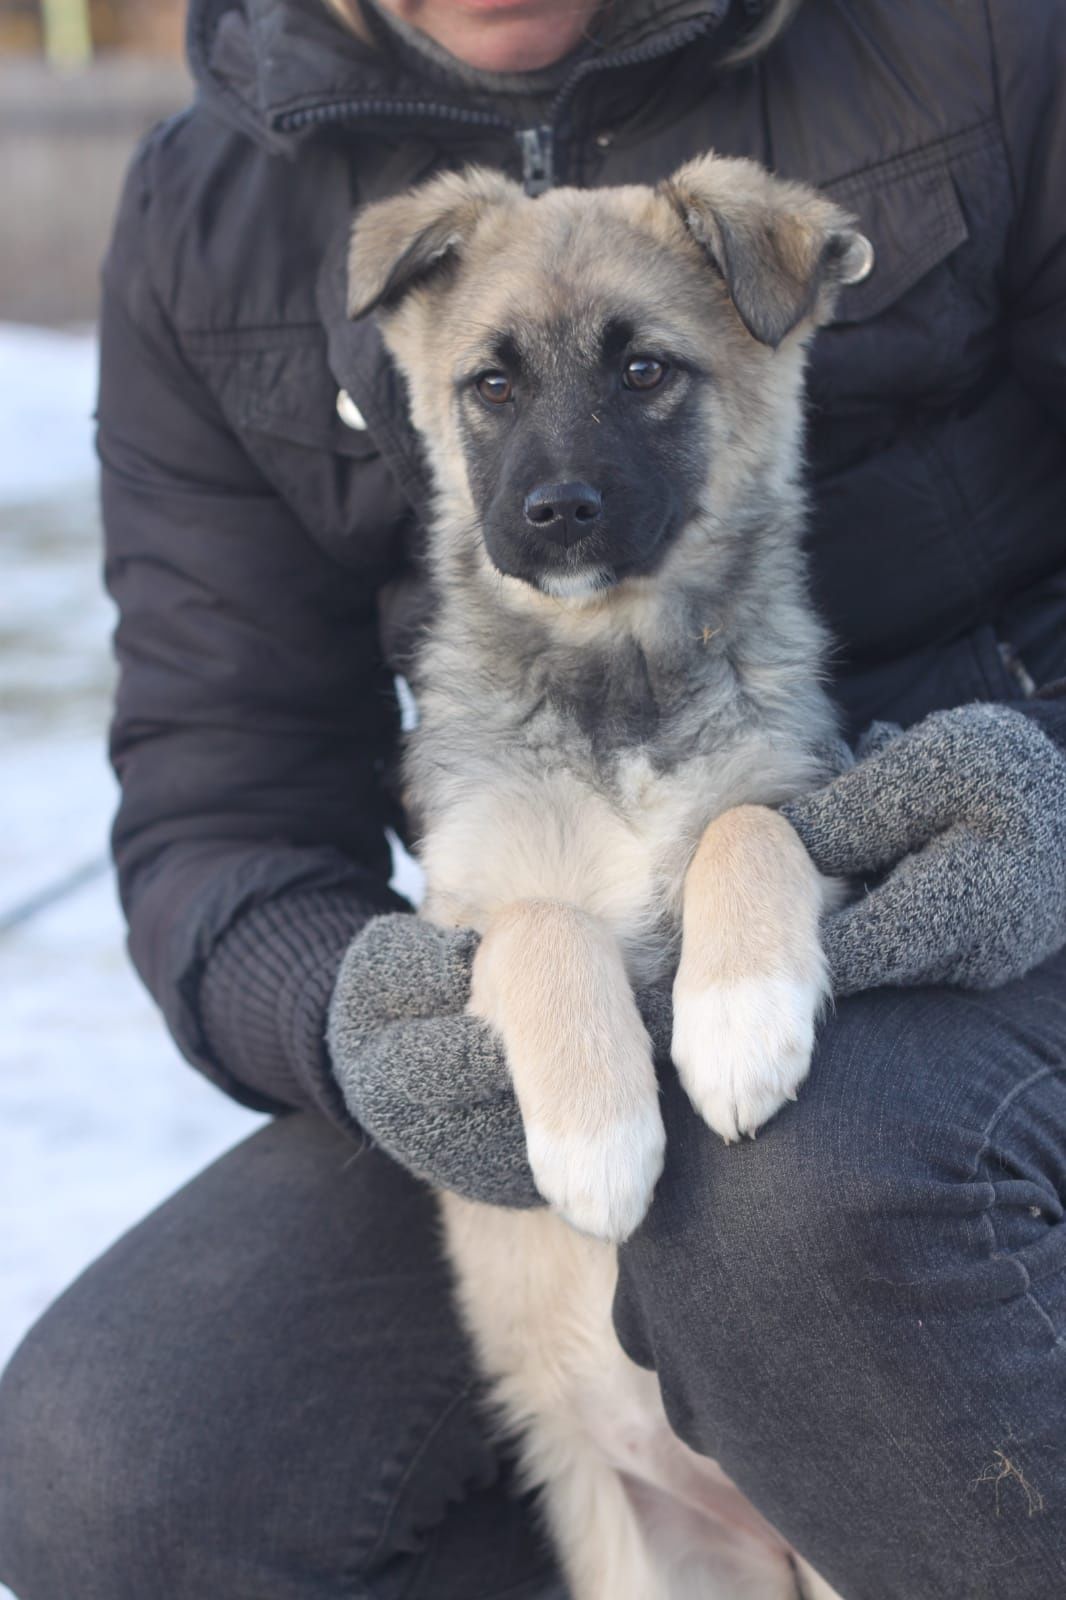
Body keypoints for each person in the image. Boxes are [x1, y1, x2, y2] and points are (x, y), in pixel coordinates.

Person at [1, 0, 1065, 1595]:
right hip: (541, 976)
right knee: (114, 1453)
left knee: (795, 1215)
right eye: (499, 389)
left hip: (985, 935)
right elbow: (219, 800)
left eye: (641, 372)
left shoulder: (972, 39)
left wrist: (1044, 804)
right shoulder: (209, 210)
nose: (559, 469)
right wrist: (354, 1014)